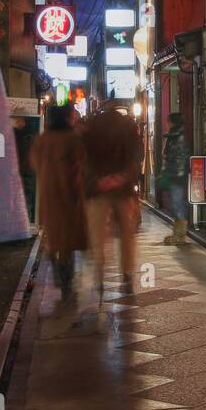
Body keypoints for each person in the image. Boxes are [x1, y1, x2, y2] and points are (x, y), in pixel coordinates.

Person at [80, 97, 143, 296]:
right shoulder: (128, 126)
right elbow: (136, 155)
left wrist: (96, 181)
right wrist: (122, 177)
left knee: (97, 233)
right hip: (123, 188)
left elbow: (83, 157)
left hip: (98, 188)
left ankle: (99, 274)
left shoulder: (92, 126)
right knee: (126, 233)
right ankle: (127, 274)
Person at [29, 104, 88, 299]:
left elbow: (34, 163)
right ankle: (66, 281)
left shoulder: (42, 139)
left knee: (54, 236)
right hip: (69, 194)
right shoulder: (72, 138)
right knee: (67, 241)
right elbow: (81, 165)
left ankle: (57, 269)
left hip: (48, 194)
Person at [159, 112, 190, 245]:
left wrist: (173, 172)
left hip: (177, 175)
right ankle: (177, 234)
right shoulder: (173, 136)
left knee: (177, 204)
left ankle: (180, 236)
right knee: (176, 204)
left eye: (169, 121)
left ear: (173, 122)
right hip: (175, 174)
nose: (167, 123)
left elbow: (179, 158)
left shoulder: (178, 138)